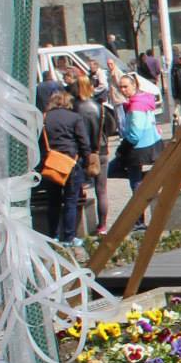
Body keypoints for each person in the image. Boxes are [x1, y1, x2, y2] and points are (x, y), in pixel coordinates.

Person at [111, 73, 161, 225]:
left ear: (134, 86)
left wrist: (121, 149)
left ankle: (139, 221)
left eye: (125, 86)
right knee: (134, 181)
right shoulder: (143, 99)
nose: (123, 90)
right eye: (120, 87)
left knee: (121, 176)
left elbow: (135, 134)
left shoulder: (136, 105)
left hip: (137, 149)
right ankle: (147, 179)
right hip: (149, 145)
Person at [41, 89, 89, 246]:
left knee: (53, 202)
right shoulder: (74, 117)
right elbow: (84, 142)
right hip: (71, 162)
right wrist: (86, 161)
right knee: (70, 201)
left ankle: (53, 235)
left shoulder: (44, 118)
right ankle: (69, 237)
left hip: (50, 164)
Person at [71, 72, 107, 235]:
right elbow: (109, 127)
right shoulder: (100, 106)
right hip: (100, 150)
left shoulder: (75, 107)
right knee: (102, 190)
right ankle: (102, 226)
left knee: (78, 189)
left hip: (81, 152)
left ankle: (78, 227)